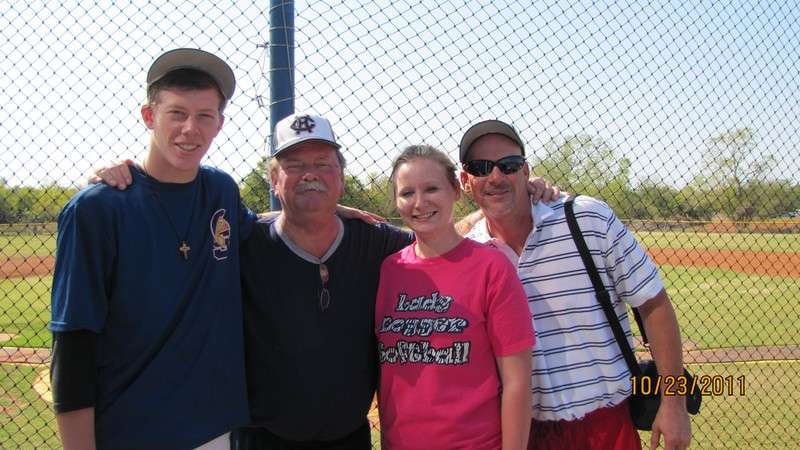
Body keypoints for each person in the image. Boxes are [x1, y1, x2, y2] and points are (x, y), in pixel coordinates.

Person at [49, 49, 253, 449]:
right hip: (132, 431)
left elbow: (266, 227)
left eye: (205, 115)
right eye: (176, 113)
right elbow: (73, 347)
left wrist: (327, 210)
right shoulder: (97, 209)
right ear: (149, 116)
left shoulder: (221, 191)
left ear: (220, 124)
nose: (190, 129)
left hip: (215, 429)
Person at [459, 120, 692, 450]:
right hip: (521, 433)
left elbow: (653, 303)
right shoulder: (468, 256)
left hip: (605, 425)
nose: (496, 176)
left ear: (525, 171)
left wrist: (674, 403)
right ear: (465, 180)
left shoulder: (586, 218)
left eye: (508, 165)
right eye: (481, 167)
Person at [376, 144, 535, 450]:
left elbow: (517, 382)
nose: (419, 202)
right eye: (407, 193)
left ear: (455, 190)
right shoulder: (389, 269)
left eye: (431, 188)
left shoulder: (491, 267)